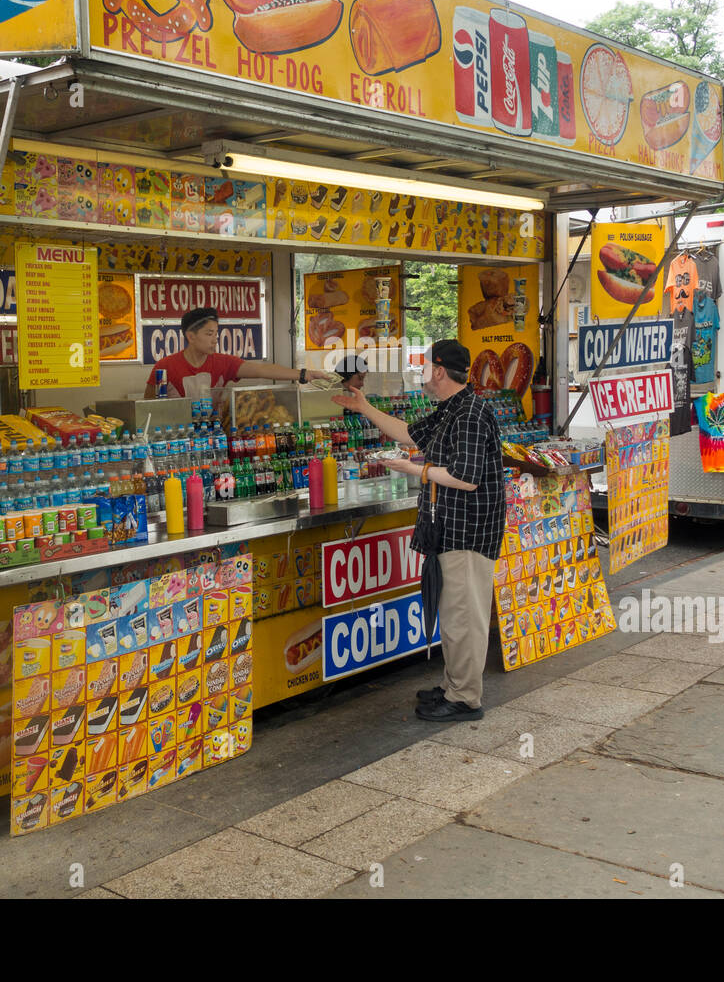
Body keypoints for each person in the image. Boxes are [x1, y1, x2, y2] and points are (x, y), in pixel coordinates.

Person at [333, 339, 505, 721]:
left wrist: (417, 470)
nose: (422, 372)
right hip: (447, 528)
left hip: (468, 531)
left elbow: (466, 477)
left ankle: (465, 698)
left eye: (425, 366)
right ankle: (453, 685)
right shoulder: (449, 409)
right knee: (453, 612)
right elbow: (409, 433)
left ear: (440, 371)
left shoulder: (471, 413)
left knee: (464, 616)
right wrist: (364, 407)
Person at [145, 307, 330, 398]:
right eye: (209, 334)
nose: (215, 339)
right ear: (190, 337)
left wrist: (304, 374)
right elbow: (148, 406)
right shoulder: (165, 367)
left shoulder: (223, 363)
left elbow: (262, 370)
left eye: (216, 333)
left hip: (214, 438)